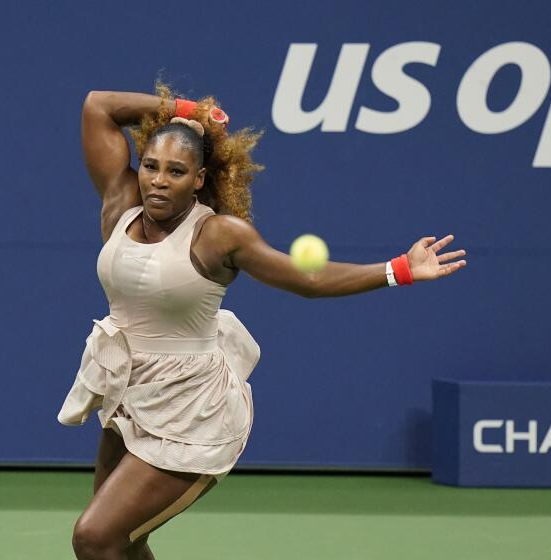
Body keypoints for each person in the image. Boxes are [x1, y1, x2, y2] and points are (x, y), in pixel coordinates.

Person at [57, 84, 467, 560]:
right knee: (122, 542)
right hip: (126, 392)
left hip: (191, 412)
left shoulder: (218, 236)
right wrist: (193, 111)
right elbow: (97, 106)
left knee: (94, 537)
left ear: (199, 178)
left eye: (176, 171)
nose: (158, 181)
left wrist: (398, 270)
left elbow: (306, 279)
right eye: (150, 165)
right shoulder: (121, 201)